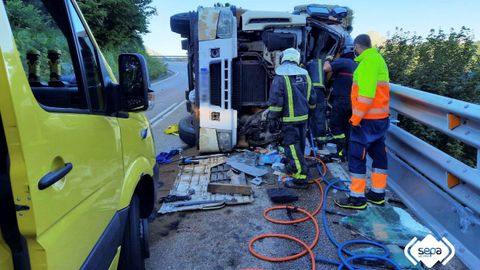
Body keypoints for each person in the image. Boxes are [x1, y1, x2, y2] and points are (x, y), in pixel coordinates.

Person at [334, 34, 390, 209]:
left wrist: (355, 119)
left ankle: (357, 198)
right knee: (379, 154)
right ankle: (377, 194)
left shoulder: (366, 63)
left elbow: (366, 95)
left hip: (366, 120)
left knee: (357, 156)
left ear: (357, 46)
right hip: (381, 119)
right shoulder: (378, 59)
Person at [267, 48, 316, 189]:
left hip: (289, 119)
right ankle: (293, 166)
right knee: (299, 145)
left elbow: (276, 100)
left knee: (292, 146)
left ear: (284, 58)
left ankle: (301, 175)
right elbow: (312, 97)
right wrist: (311, 112)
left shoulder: (281, 75)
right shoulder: (305, 75)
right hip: (304, 117)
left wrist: (273, 118)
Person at [324, 36, 357, 159]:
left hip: (341, 100)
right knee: (347, 127)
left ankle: (340, 152)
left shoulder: (344, 61)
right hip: (352, 102)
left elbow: (325, 68)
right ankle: (345, 154)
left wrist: (328, 59)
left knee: (336, 126)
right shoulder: (355, 65)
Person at [306, 58, 327, 146]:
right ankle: (320, 142)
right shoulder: (321, 62)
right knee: (319, 115)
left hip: (311, 89)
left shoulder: (308, 63)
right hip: (320, 90)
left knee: (312, 114)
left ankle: (313, 140)